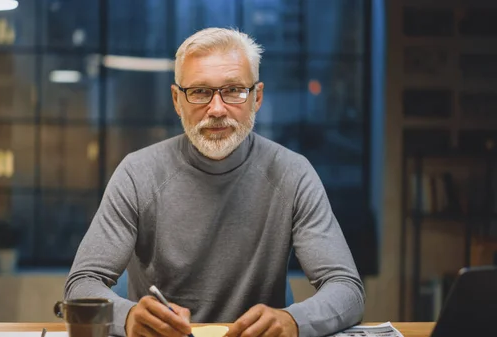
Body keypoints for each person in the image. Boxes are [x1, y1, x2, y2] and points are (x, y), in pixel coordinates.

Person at [64, 27, 365, 337]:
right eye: (199, 92)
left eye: (234, 90)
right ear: (177, 100)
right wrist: (127, 317)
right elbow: (81, 284)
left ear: (257, 97)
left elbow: (346, 289)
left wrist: (295, 321)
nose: (217, 109)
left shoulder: (293, 174)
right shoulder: (137, 173)